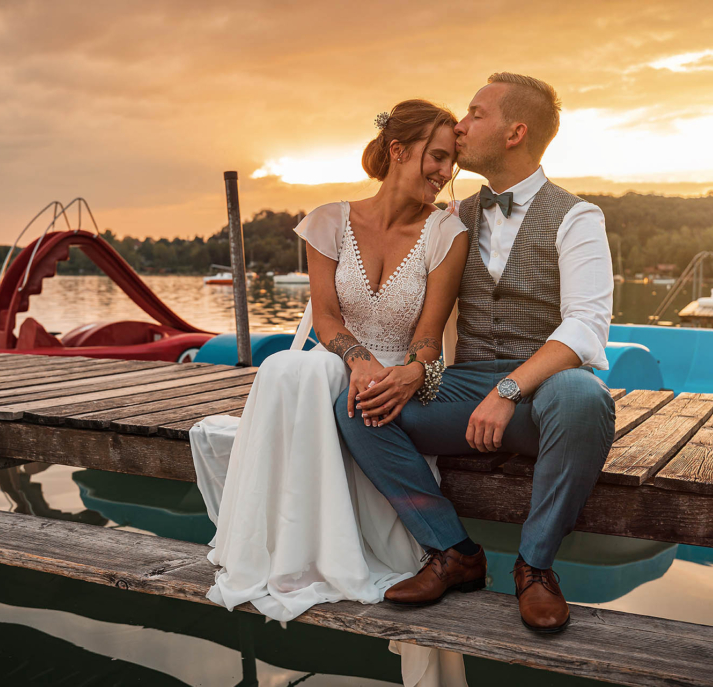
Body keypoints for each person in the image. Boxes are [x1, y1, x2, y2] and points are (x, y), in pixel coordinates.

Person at [190, 99, 470, 685]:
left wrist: (408, 373)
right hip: (341, 360)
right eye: (438, 156)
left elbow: (429, 338)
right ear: (399, 150)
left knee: (302, 375)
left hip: (400, 379)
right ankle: (291, 552)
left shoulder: (447, 232)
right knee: (289, 369)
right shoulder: (327, 221)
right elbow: (324, 317)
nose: (445, 172)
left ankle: (332, 551)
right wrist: (357, 359)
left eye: (453, 162)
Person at [335, 73, 616, 634]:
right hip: (462, 390)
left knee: (583, 395)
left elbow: (586, 328)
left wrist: (509, 390)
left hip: (546, 396)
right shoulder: (452, 218)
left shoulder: (578, 218)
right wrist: (403, 369)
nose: (460, 126)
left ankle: (535, 567)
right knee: (362, 407)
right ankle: (454, 551)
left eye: (474, 114)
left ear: (515, 133)